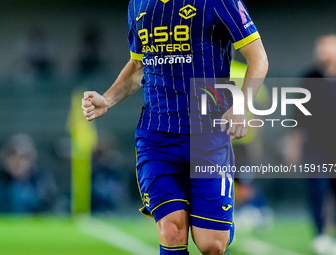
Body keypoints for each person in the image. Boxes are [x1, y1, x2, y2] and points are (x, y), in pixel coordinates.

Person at [82, 1, 268, 254]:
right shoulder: (137, 4)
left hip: (208, 136)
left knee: (212, 245)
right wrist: (108, 99)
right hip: (156, 136)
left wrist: (241, 105)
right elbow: (138, 66)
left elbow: (258, 56)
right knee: (171, 230)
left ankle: (215, 219)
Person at [284, 34, 336, 255]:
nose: (322, 52)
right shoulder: (310, 78)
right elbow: (298, 116)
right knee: (316, 188)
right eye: (320, 48)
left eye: (328, 47)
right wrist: (293, 145)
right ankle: (320, 235)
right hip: (315, 145)